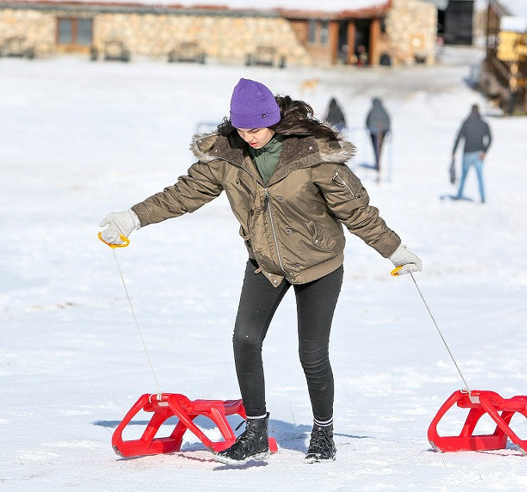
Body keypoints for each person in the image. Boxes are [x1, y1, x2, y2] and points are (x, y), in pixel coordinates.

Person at [99, 78, 422, 466]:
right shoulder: (227, 157)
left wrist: (394, 249)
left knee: (312, 353)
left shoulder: (312, 157)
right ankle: (254, 433)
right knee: (245, 340)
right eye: (240, 129)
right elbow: (181, 195)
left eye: (255, 129)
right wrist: (133, 217)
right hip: (266, 263)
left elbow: (355, 210)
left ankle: (323, 433)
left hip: (319, 263)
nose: (247, 137)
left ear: (272, 120)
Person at [452, 104, 492, 203]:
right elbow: (490, 138)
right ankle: (482, 198)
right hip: (479, 154)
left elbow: (459, 138)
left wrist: (454, 152)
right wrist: (484, 151)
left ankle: (459, 195)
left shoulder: (466, 123)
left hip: (467, 153)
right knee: (480, 177)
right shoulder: (484, 123)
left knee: (464, 176)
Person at [365, 97, 390, 174]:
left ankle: (377, 162)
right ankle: (378, 161)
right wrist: (386, 130)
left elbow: (367, 121)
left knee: (375, 147)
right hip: (382, 132)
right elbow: (388, 121)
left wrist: (370, 128)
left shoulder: (372, 110)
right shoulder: (384, 110)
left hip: (373, 132)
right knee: (379, 147)